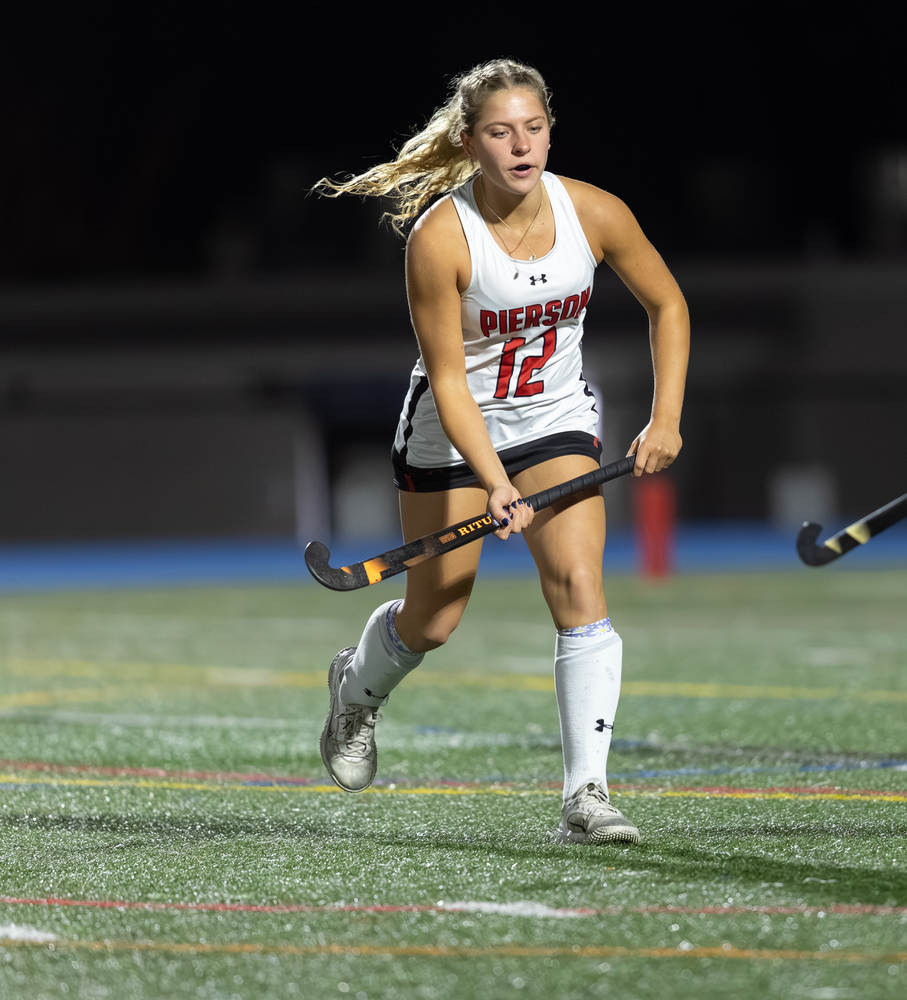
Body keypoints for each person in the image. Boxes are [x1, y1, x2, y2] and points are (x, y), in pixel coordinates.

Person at [311, 59, 689, 845]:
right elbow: (448, 382)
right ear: (469, 141)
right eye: (500, 131)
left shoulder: (594, 212)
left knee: (581, 584)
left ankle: (586, 796)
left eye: (534, 127)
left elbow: (668, 304)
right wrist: (492, 482)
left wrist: (666, 419)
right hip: (453, 433)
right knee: (437, 616)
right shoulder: (440, 238)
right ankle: (356, 689)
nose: (522, 146)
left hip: (553, 419)